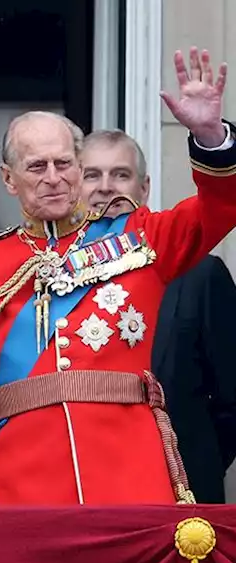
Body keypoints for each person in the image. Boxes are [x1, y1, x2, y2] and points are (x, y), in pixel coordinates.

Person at [0, 46, 236, 505]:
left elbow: (219, 210)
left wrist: (208, 135)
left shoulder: (140, 236)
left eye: (64, 164)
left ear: (79, 168)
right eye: (36, 167)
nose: (53, 178)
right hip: (24, 480)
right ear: (9, 179)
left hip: (129, 473)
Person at [80, 128, 236, 503]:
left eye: (120, 174)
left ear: (144, 187)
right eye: (92, 175)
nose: (105, 187)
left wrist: (195, 460)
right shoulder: (52, 282)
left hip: (181, 491)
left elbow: (232, 398)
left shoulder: (200, 274)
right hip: (85, 488)